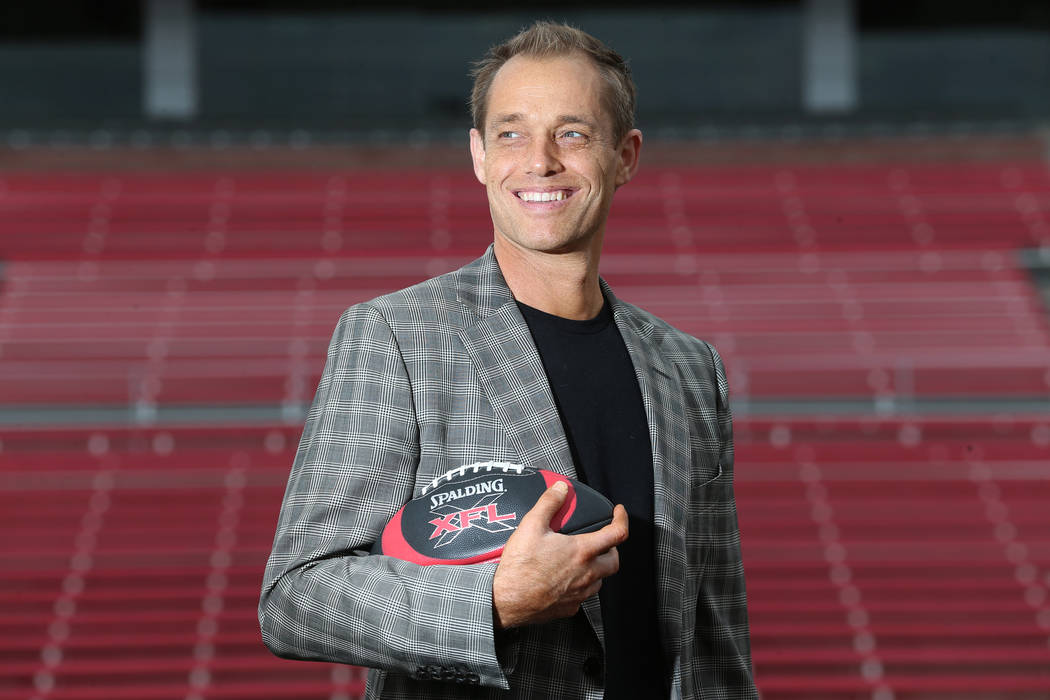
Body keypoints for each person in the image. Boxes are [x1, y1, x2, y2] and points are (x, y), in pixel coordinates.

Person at [259, 20, 758, 700]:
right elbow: (297, 597)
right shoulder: (396, 337)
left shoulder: (690, 369)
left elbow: (716, 631)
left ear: (626, 155)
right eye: (511, 134)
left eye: (573, 134)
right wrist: (494, 600)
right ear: (479, 155)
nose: (540, 160)